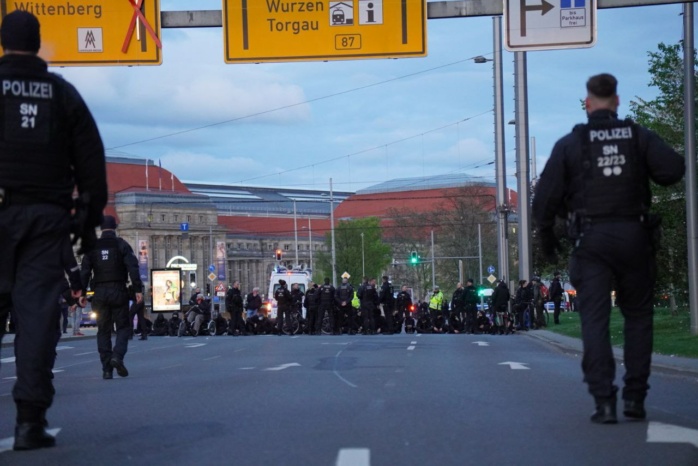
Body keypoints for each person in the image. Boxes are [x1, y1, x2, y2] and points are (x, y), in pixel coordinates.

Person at [532, 73, 685, 424]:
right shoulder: (637, 136)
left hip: (591, 240)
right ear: (617, 102)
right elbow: (672, 170)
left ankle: (603, 400)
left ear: (588, 104)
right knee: (638, 318)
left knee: (595, 321)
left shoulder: (571, 144)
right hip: (634, 236)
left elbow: (543, 200)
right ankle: (635, 397)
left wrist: (547, 236)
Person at [0, 10, 107, 451]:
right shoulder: (62, 95)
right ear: (39, 42)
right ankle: (29, 421)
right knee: (38, 318)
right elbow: (92, 166)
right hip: (46, 220)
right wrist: (85, 223)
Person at [81, 215, 143, 380]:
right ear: (115, 228)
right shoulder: (121, 244)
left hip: (99, 293)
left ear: (100, 229)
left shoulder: (91, 247)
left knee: (103, 331)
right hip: (118, 290)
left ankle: (106, 369)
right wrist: (138, 289)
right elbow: (133, 267)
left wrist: (80, 293)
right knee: (123, 328)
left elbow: (85, 271)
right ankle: (117, 356)